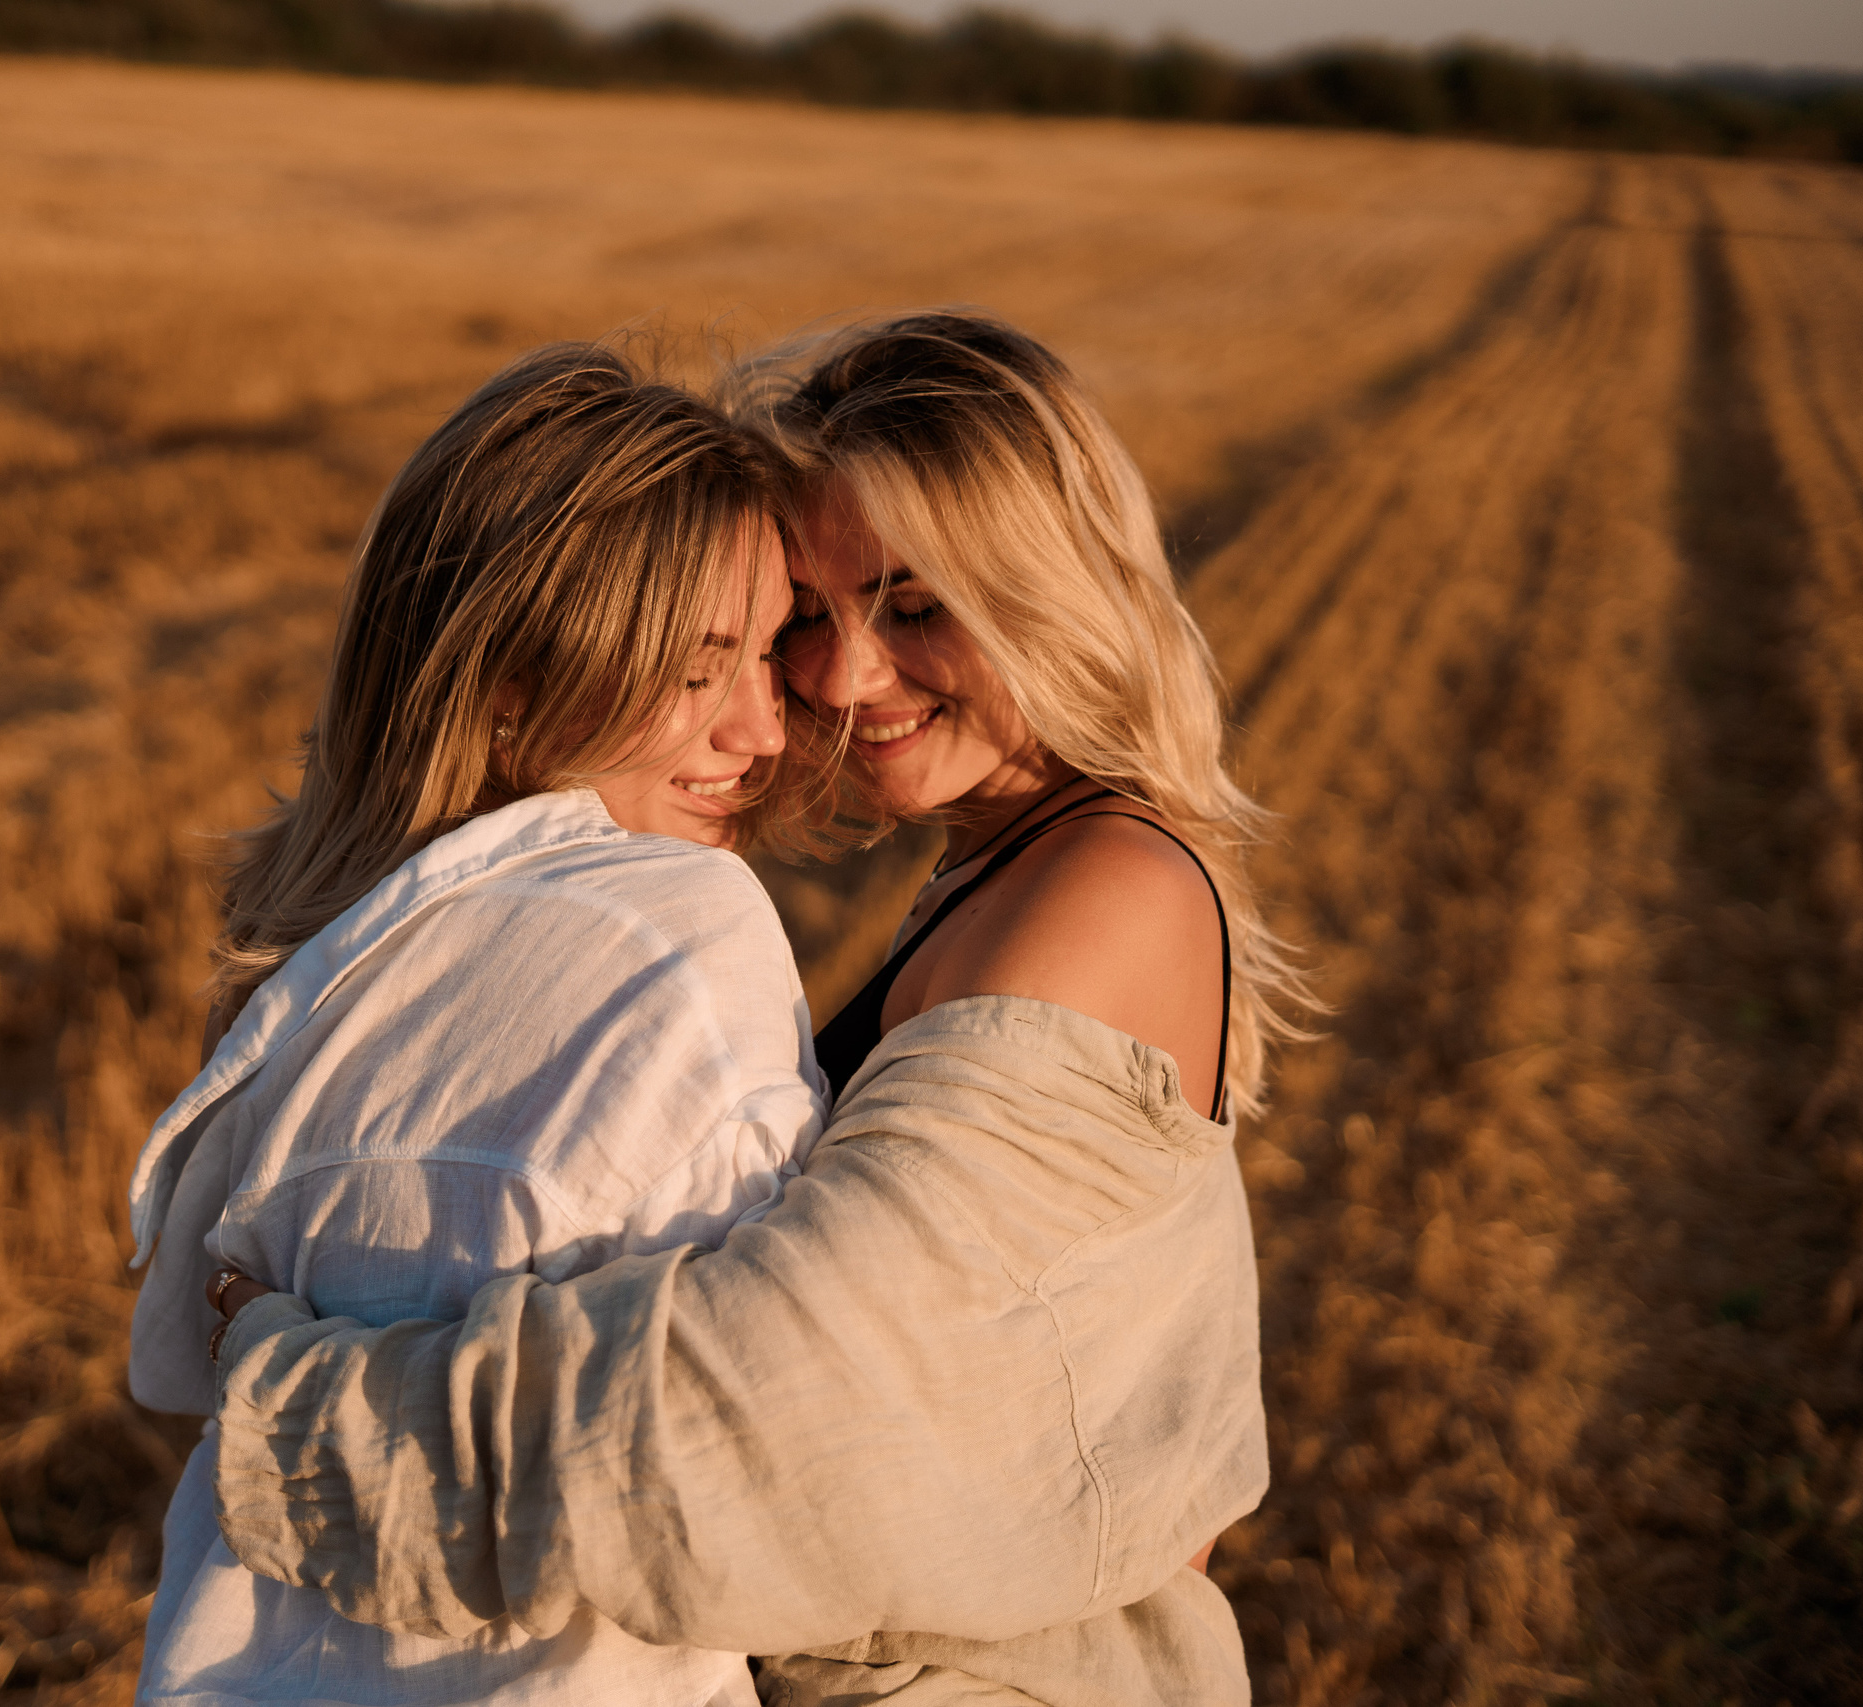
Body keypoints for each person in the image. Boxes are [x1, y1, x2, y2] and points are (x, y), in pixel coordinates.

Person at [195, 310, 1314, 1705]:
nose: (839, 682)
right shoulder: (1014, 873)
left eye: (915, 607)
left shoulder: (1104, 893)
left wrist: (293, 1400)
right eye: (812, 621)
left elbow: (772, 1419)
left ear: (1055, 593)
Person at [125, 342, 837, 1706]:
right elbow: (770, 1454)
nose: (764, 728)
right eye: (699, 671)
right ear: (508, 684)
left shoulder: (328, 971)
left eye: (767, 653)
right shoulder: (681, 929)